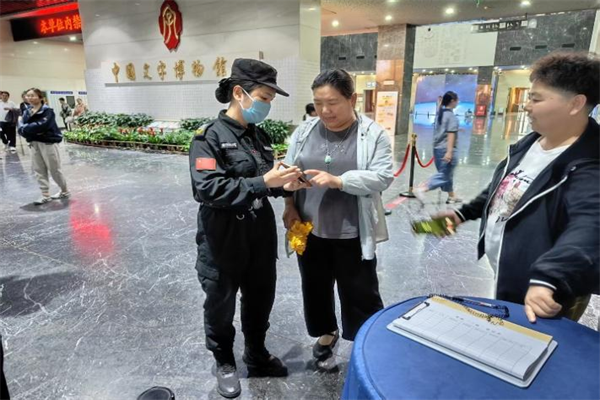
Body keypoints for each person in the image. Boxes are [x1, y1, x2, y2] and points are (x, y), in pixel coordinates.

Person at [436, 52, 600, 323]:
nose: (526, 106)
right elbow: (504, 190)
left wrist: (548, 278)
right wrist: (463, 214)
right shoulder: (532, 142)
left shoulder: (590, 162)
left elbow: (590, 226)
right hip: (511, 271)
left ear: (575, 104)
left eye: (536, 99)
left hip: (548, 290)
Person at [189, 59, 306, 399]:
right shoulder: (208, 137)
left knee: (260, 299)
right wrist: (263, 182)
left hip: (259, 235)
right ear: (239, 93)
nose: (267, 105)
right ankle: (224, 361)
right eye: (264, 97)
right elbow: (208, 189)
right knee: (220, 304)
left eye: (270, 100)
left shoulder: (259, 136)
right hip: (222, 238)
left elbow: (267, 183)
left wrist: (288, 185)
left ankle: (255, 353)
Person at [283, 69, 393, 365]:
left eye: (332, 103)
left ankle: (364, 340)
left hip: (351, 230)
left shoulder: (373, 135)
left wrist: (340, 181)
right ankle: (326, 331)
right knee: (315, 287)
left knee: (360, 291)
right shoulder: (304, 131)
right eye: (318, 103)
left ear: (352, 99)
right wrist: (289, 204)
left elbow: (383, 176)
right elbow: (288, 167)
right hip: (310, 227)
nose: (325, 111)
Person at [18, 88, 70, 205]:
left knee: (54, 169)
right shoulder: (27, 112)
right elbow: (21, 129)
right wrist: (27, 129)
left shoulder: (47, 111)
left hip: (48, 143)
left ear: (40, 97)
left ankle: (64, 190)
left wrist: (26, 128)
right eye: (28, 96)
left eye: (32, 95)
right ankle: (45, 194)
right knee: (39, 169)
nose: (29, 98)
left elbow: (42, 126)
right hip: (33, 143)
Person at [415, 91, 462, 204]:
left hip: (437, 149)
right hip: (446, 148)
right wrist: (449, 152)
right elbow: (451, 134)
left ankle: (451, 196)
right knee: (445, 175)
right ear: (452, 101)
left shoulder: (440, 114)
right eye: (457, 100)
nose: (458, 102)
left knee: (447, 173)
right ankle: (423, 188)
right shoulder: (451, 117)